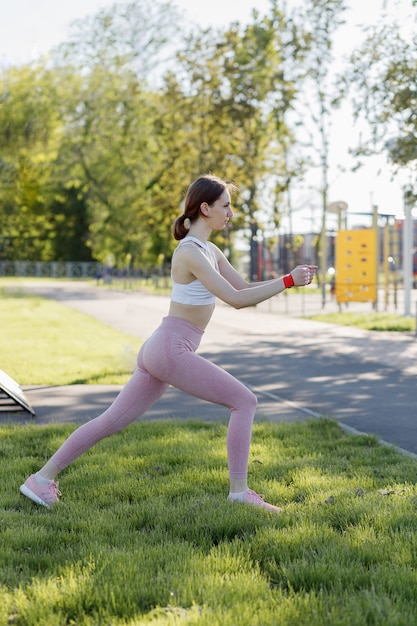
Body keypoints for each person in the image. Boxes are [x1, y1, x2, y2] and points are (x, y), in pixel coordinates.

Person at [20, 174, 317, 513]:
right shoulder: (190, 252)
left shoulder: (211, 250)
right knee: (244, 401)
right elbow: (236, 299)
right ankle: (239, 494)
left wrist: (289, 280)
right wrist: (289, 280)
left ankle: (41, 479)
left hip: (163, 347)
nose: (231, 213)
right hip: (170, 349)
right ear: (205, 208)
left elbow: (245, 288)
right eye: (226, 206)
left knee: (112, 421)